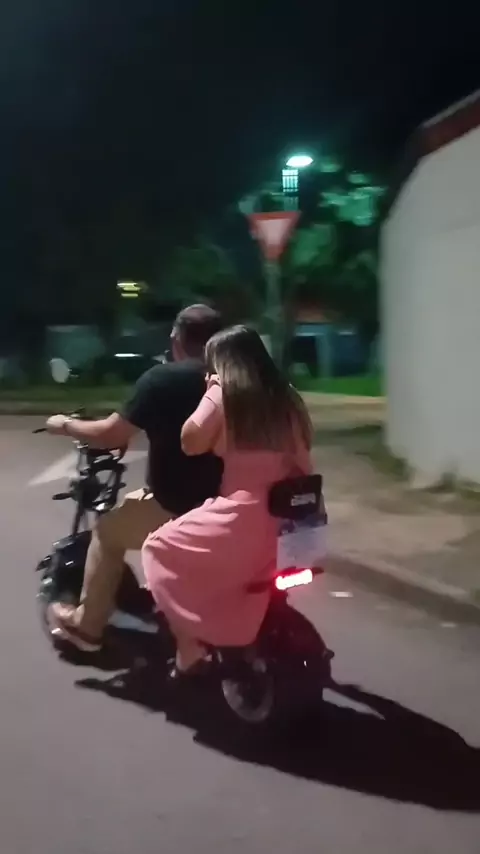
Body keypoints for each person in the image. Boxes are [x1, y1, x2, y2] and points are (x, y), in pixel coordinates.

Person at [45, 304, 225, 652]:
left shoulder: (163, 379)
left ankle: (87, 627)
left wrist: (64, 424)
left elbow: (109, 434)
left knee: (107, 533)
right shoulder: (237, 378)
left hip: (179, 505)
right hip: (232, 502)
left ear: (176, 339)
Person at [142, 325, 314, 676]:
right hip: (299, 514)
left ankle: (190, 648)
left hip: (246, 515)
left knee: (157, 547)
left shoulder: (223, 395)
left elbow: (191, 442)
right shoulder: (287, 396)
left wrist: (210, 392)